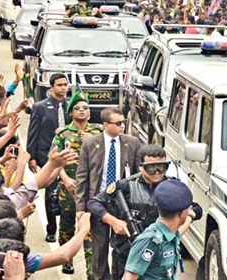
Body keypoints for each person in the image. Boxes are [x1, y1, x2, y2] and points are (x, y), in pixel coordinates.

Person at [88, 145, 202, 280]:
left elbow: (196, 208)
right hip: (127, 252)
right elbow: (94, 203)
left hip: (158, 254)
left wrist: (188, 217)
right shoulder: (125, 186)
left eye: (162, 167)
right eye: (151, 167)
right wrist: (114, 221)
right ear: (141, 166)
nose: (157, 172)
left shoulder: (171, 187)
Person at [75, 107, 142, 280]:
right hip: (99, 202)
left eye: (123, 123)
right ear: (106, 125)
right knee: (99, 247)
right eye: (118, 123)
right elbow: (82, 176)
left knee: (122, 246)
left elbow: (137, 174)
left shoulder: (132, 143)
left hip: (123, 204)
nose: (122, 127)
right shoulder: (91, 143)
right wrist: (80, 208)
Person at [51, 91, 103, 275]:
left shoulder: (98, 132)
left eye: (86, 108)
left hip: (92, 189)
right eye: (77, 108)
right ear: (71, 112)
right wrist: (64, 178)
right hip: (69, 188)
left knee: (90, 227)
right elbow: (54, 159)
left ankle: (91, 270)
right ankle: (66, 259)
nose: (82, 111)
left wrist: (93, 142)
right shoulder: (64, 133)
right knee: (67, 225)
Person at [122, 180, 196, 280]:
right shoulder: (150, 240)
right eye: (188, 209)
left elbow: (180, 230)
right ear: (182, 214)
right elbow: (128, 277)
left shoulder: (170, 235)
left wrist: (191, 216)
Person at [27, 73, 69, 243]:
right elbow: (33, 132)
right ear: (52, 87)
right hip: (48, 155)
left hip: (69, 155)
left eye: (65, 84)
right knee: (51, 193)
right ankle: (51, 229)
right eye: (60, 85)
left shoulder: (71, 106)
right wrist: (32, 156)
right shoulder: (40, 107)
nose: (63, 88)